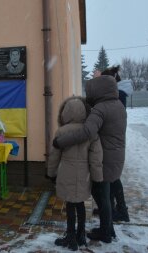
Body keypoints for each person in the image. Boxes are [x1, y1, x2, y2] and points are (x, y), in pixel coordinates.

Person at [53, 75, 127, 243]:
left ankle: (105, 233)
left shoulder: (101, 109)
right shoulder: (118, 106)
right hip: (116, 156)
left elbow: (87, 132)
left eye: (90, 90)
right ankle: (108, 230)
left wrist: (61, 142)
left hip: (104, 158)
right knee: (106, 197)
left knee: (101, 196)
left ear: (98, 90)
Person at [47, 97, 103, 251]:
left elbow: (54, 156)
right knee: (80, 204)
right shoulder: (90, 132)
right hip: (84, 174)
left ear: (66, 113)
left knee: (70, 205)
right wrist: (97, 177)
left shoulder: (61, 131)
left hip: (66, 173)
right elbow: (96, 157)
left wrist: (51, 173)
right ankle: (81, 235)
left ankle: (70, 237)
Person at [101, 66, 130, 222]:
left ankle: (119, 211)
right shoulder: (118, 95)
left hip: (113, 143)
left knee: (112, 178)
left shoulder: (118, 97)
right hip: (114, 142)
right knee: (111, 178)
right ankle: (111, 209)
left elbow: (111, 119)